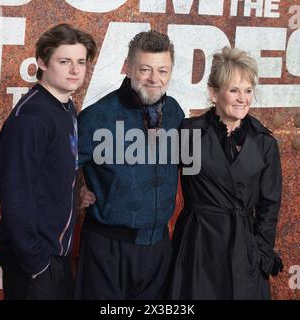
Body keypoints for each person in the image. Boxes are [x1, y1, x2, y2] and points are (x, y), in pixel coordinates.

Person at [74, 30, 185, 299]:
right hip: (107, 248)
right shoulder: (97, 116)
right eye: (145, 69)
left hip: (158, 247)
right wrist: (75, 189)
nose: (154, 79)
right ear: (127, 68)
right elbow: (56, 166)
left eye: (162, 70)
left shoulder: (174, 113)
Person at [169, 47, 283, 300]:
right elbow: (155, 173)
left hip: (243, 247)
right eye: (234, 90)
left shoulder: (264, 143)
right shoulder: (189, 133)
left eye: (248, 90)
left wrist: (261, 252)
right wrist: (92, 187)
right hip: (198, 243)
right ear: (213, 93)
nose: (242, 98)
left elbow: (269, 205)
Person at [0, 24, 97, 300]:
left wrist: (75, 193)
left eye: (81, 62)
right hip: (34, 259)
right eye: (64, 61)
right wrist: (37, 264)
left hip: (55, 252)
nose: (75, 70)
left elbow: (52, 172)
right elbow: (15, 194)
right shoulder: (33, 118)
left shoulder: (65, 107)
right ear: (42, 62)